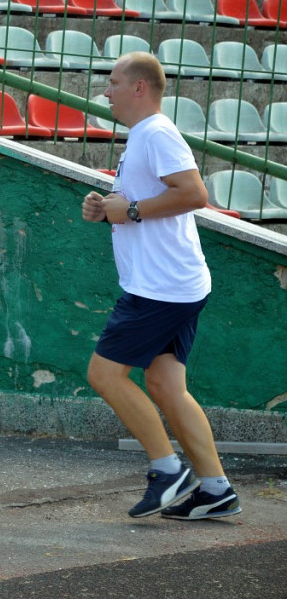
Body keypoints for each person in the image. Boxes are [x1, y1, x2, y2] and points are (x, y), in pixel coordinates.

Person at [81, 52, 240, 520]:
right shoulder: (144, 137)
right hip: (173, 283)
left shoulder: (156, 133)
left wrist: (128, 211)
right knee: (167, 387)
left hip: (160, 288)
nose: (105, 91)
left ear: (139, 88)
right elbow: (150, 200)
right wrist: (108, 206)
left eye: (112, 82)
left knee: (105, 375)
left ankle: (167, 471)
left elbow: (194, 195)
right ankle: (215, 490)